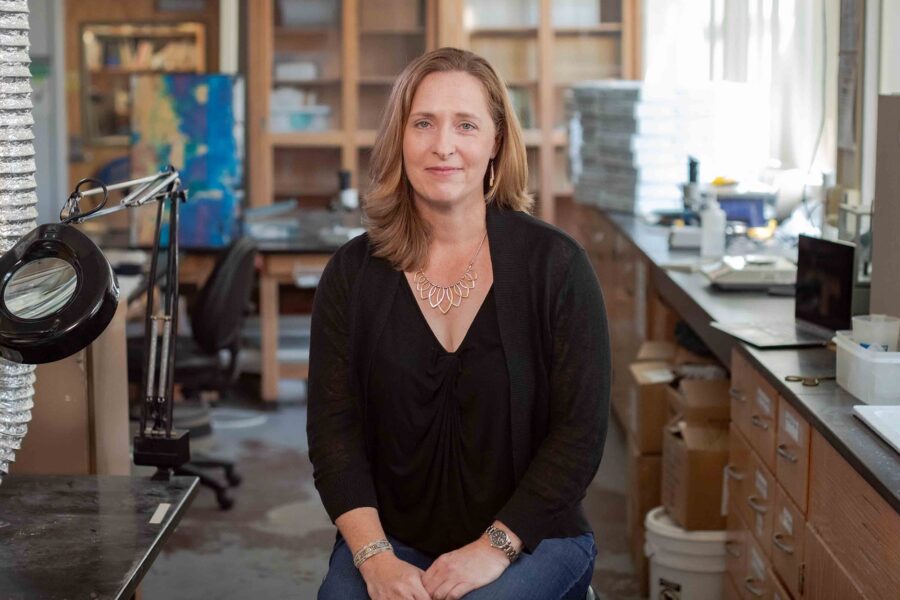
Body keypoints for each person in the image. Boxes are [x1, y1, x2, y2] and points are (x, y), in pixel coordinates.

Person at [308, 47, 610, 600]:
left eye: (466, 125)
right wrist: (375, 558)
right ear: (400, 138)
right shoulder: (353, 274)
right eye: (423, 123)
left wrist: (493, 549)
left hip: (535, 537)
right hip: (393, 538)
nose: (443, 145)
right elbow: (334, 434)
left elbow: (581, 433)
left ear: (496, 142)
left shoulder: (556, 267)